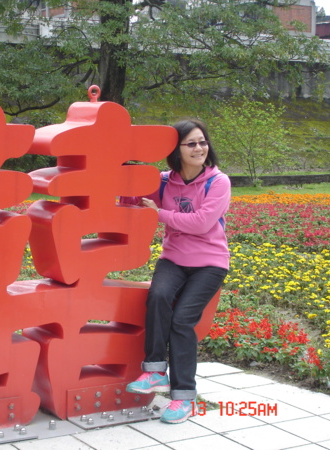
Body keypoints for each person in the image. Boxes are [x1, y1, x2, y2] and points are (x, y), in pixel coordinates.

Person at [122, 119, 230, 424]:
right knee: (158, 297)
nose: (199, 148)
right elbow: (132, 200)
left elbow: (202, 223)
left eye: (202, 142)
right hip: (174, 259)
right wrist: (128, 177)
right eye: (191, 143)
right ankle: (155, 371)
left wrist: (159, 214)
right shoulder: (164, 181)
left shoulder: (218, 182)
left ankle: (184, 397)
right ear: (176, 150)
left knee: (182, 320)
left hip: (209, 263)